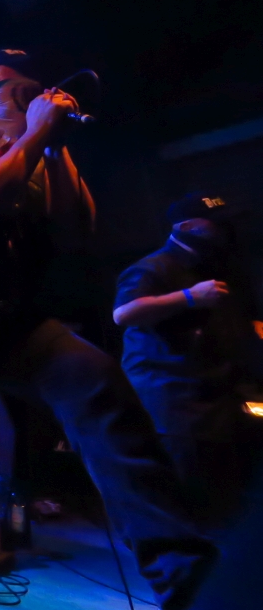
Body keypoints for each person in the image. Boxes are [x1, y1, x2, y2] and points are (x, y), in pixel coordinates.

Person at [0, 48, 216, 610]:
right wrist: (36, 134)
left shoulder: (33, 153)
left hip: (3, 322)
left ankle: (189, 585)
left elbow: (78, 228)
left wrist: (53, 144)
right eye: (18, 86)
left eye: (38, 89)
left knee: (95, 380)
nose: (33, 95)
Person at [114, 194, 263, 527]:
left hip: (220, 397)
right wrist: (188, 298)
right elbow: (124, 313)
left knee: (225, 495)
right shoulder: (154, 267)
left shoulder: (223, 268)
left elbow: (250, 320)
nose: (226, 229)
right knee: (186, 497)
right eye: (217, 223)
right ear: (188, 226)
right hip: (174, 400)